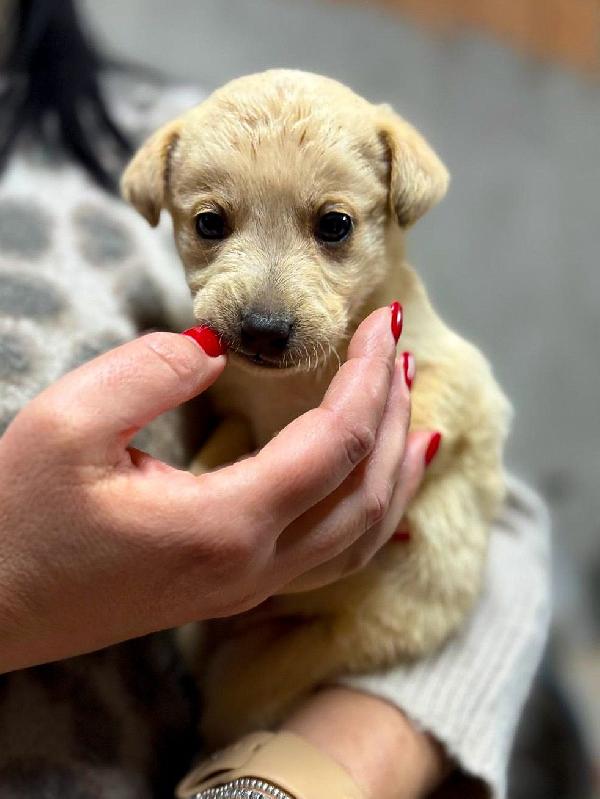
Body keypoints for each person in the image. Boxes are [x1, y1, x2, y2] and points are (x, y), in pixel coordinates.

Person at [0, 2, 550, 797]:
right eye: (212, 225)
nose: (264, 305)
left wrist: (302, 772)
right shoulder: (183, 143)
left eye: (331, 228)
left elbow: (507, 532)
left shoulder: (147, 116)